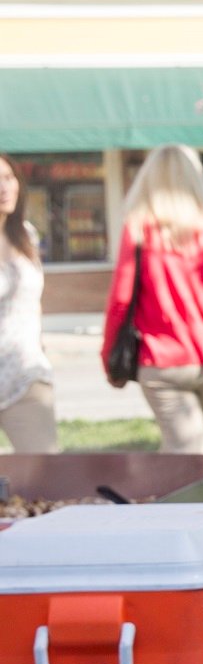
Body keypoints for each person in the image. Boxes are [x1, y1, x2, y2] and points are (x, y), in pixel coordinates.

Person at [100, 145, 203, 453]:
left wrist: (109, 358)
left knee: (189, 456)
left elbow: (120, 300)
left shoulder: (140, 230)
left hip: (165, 362)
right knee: (185, 449)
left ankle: (172, 499)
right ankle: (160, 498)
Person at [0, 154, 57, 454]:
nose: (4, 187)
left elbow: (33, 304)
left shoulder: (27, 235)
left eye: (9, 178)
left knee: (46, 477)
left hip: (26, 374)